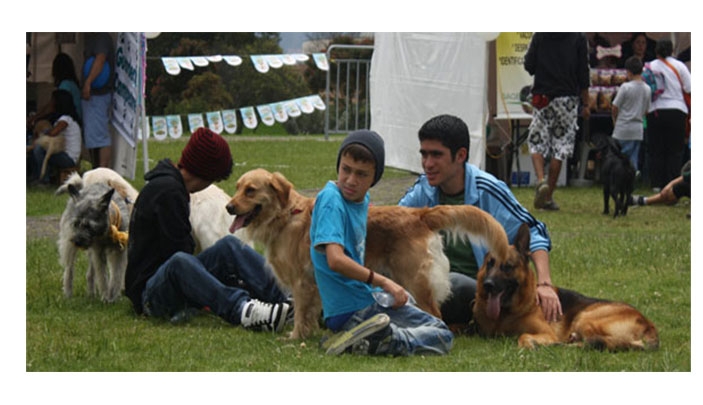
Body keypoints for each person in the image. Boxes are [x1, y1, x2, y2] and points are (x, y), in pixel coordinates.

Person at [398, 114, 562, 329]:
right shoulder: (423, 189)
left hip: (477, 287)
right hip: (432, 281)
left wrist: (544, 284)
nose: (427, 164)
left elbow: (535, 231)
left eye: (436, 155)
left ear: (460, 155)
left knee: (450, 283)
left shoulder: (488, 190)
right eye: (424, 154)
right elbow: (397, 226)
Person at [124, 128, 291, 332]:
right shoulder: (168, 192)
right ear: (206, 174)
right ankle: (244, 310)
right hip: (150, 297)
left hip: (168, 281)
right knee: (180, 261)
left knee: (229, 245)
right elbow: (178, 253)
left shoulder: (171, 186)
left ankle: (288, 298)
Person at [311, 130, 453, 356]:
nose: (350, 180)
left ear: (374, 178)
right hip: (352, 308)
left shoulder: (361, 200)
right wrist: (385, 282)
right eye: (345, 169)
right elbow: (335, 260)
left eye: (361, 174)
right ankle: (386, 338)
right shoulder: (331, 200)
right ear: (338, 166)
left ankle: (371, 336)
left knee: (427, 321)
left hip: (363, 302)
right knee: (440, 333)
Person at [524, 32, 591, 210]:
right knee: (560, 146)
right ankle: (548, 197)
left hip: (542, 97)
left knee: (536, 141)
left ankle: (540, 180)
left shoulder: (540, 35)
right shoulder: (578, 37)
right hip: (567, 99)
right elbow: (583, 72)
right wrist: (586, 102)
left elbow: (529, 65)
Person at [646, 39, 691, 191]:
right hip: (677, 111)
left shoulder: (650, 66)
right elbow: (689, 87)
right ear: (672, 51)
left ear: (656, 51)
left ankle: (656, 184)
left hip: (655, 111)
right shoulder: (680, 66)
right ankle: (672, 184)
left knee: (656, 149)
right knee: (675, 150)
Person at [27, 89, 82, 185]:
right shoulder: (69, 118)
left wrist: (42, 132)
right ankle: (38, 176)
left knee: (39, 149)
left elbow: (53, 133)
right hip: (67, 156)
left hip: (69, 158)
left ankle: (44, 180)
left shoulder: (65, 119)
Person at [611, 56, 651, 174]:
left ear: (628, 71)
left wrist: (615, 120)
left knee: (619, 157)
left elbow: (615, 107)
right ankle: (631, 181)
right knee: (633, 159)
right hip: (637, 129)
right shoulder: (647, 89)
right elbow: (647, 110)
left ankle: (618, 180)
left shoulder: (625, 87)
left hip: (622, 128)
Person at [81, 33, 115, 169]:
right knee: (92, 136)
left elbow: (100, 59)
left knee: (100, 135)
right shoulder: (93, 38)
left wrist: (88, 82)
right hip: (94, 95)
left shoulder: (101, 38)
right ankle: (97, 168)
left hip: (98, 94)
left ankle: (102, 169)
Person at [27, 53, 82, 131]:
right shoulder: (72, 83)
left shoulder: (65, 85)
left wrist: (34, 118)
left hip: (69, 120)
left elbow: (51, 107)